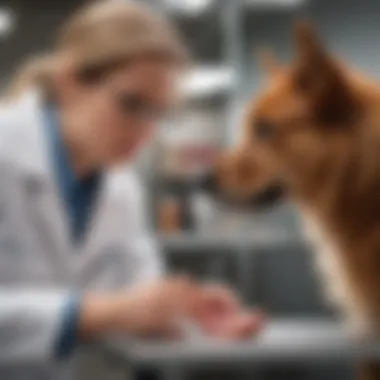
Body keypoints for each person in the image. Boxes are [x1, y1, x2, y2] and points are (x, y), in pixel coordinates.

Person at [0, 1, 265, 379]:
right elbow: (111, 309)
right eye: (132, 104)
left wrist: (185, 310)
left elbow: (138, 291)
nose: (145, 132)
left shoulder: (120, 184)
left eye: (160, 113)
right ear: (70, 82)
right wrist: (96, 314)